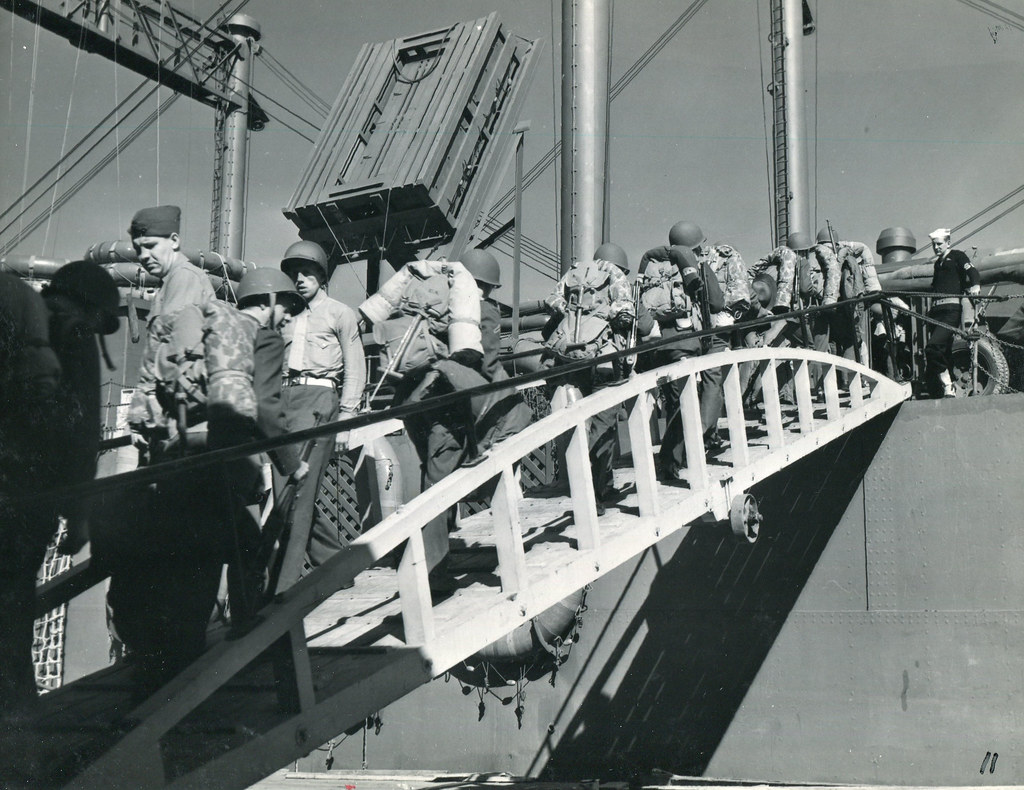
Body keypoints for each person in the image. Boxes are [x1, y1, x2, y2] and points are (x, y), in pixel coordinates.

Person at [0, 264, 117, 718]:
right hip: (26, 503)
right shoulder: (75, 334)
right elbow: (81, 432)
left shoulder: (16, 318)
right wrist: (79, 512)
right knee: (10, 621)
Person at [274, 240, 365, 594]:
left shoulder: (340, 313)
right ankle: (336, 565)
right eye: (294, 273)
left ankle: (284, 587)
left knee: (301, 488)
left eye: (307, 272)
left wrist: (347, 413)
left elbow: (355, 365)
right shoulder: (285, 315)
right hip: (285, 400)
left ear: (321, 276)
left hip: (320, 399)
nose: (299, 278)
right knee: (289, 490)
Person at [640, 221, 751, 450]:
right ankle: (699, 435)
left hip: (670, 336)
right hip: (711, 329)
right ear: (701, 243)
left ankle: (681, 447)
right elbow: (725, 300)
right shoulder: (710, 261)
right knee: (711, 382)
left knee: (677, 393)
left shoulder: (658, 264)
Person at [542, 242, 634, 513]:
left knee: (583, 424)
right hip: (604, 361)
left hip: (572, 360)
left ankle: (602, 487)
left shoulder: (573, 274)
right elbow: (625, 313)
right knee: (603, 426)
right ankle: (592, 491)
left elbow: (553, 302)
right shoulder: (615, 275)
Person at [127, 205, 215, 457]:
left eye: (150, 245)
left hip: (184, 416)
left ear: (174, 241)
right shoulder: (170, 282)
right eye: (137, 248)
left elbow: (168, 355)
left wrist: (142, 415)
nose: (142, 255)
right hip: (176, 413)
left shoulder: (183, 278)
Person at [636, 245, 717, 479]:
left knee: (673, 401)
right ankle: (674, 459)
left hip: (658, 343)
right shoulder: (690, 265)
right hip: (686, 342)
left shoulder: (651, 266)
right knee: (687, 401)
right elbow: (715, 303)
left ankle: (673, 459)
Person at [460, 248, 534, 448]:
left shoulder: (443, 307)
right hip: (477, 397)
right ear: (485, 285)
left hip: (443, 397)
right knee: (520, 416)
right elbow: (489, 364)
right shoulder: (485, 311)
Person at [815, 226, 882, 376]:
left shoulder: (842, 262)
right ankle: (846, 382)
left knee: (842, 343)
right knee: (847, 343)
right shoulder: (847, 259)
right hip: (844, 311)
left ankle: (843, 381)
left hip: (842, 310)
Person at [923, 228, 980, 397]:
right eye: (934, 245)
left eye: (939, 244)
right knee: (944, 352)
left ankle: (948, 385)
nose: (936, 247)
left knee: (932, 348)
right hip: (936, 312)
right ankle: (947, 391)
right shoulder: (937, 263)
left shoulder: (957, 255)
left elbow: (972, 271)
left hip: (950, 310)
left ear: (948, 242)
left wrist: (975, 285)